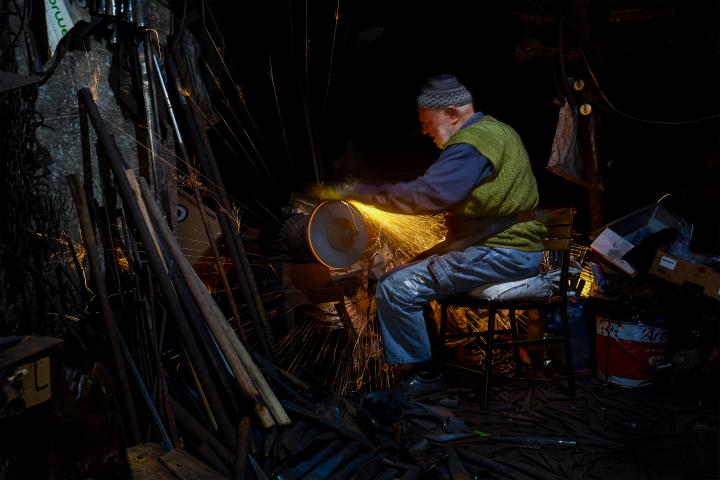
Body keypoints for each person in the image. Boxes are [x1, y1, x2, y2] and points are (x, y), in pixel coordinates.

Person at [324, 73, 547, 397]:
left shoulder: (473, 142)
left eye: (429, 123)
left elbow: (430, 195)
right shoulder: (497, 131)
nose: (426, 132)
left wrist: (361, 193)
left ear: (453, 114)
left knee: (397, 287)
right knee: (402, 275)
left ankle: (425, 374)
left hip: (503, 251)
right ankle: (434, 360)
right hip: (501, 246)